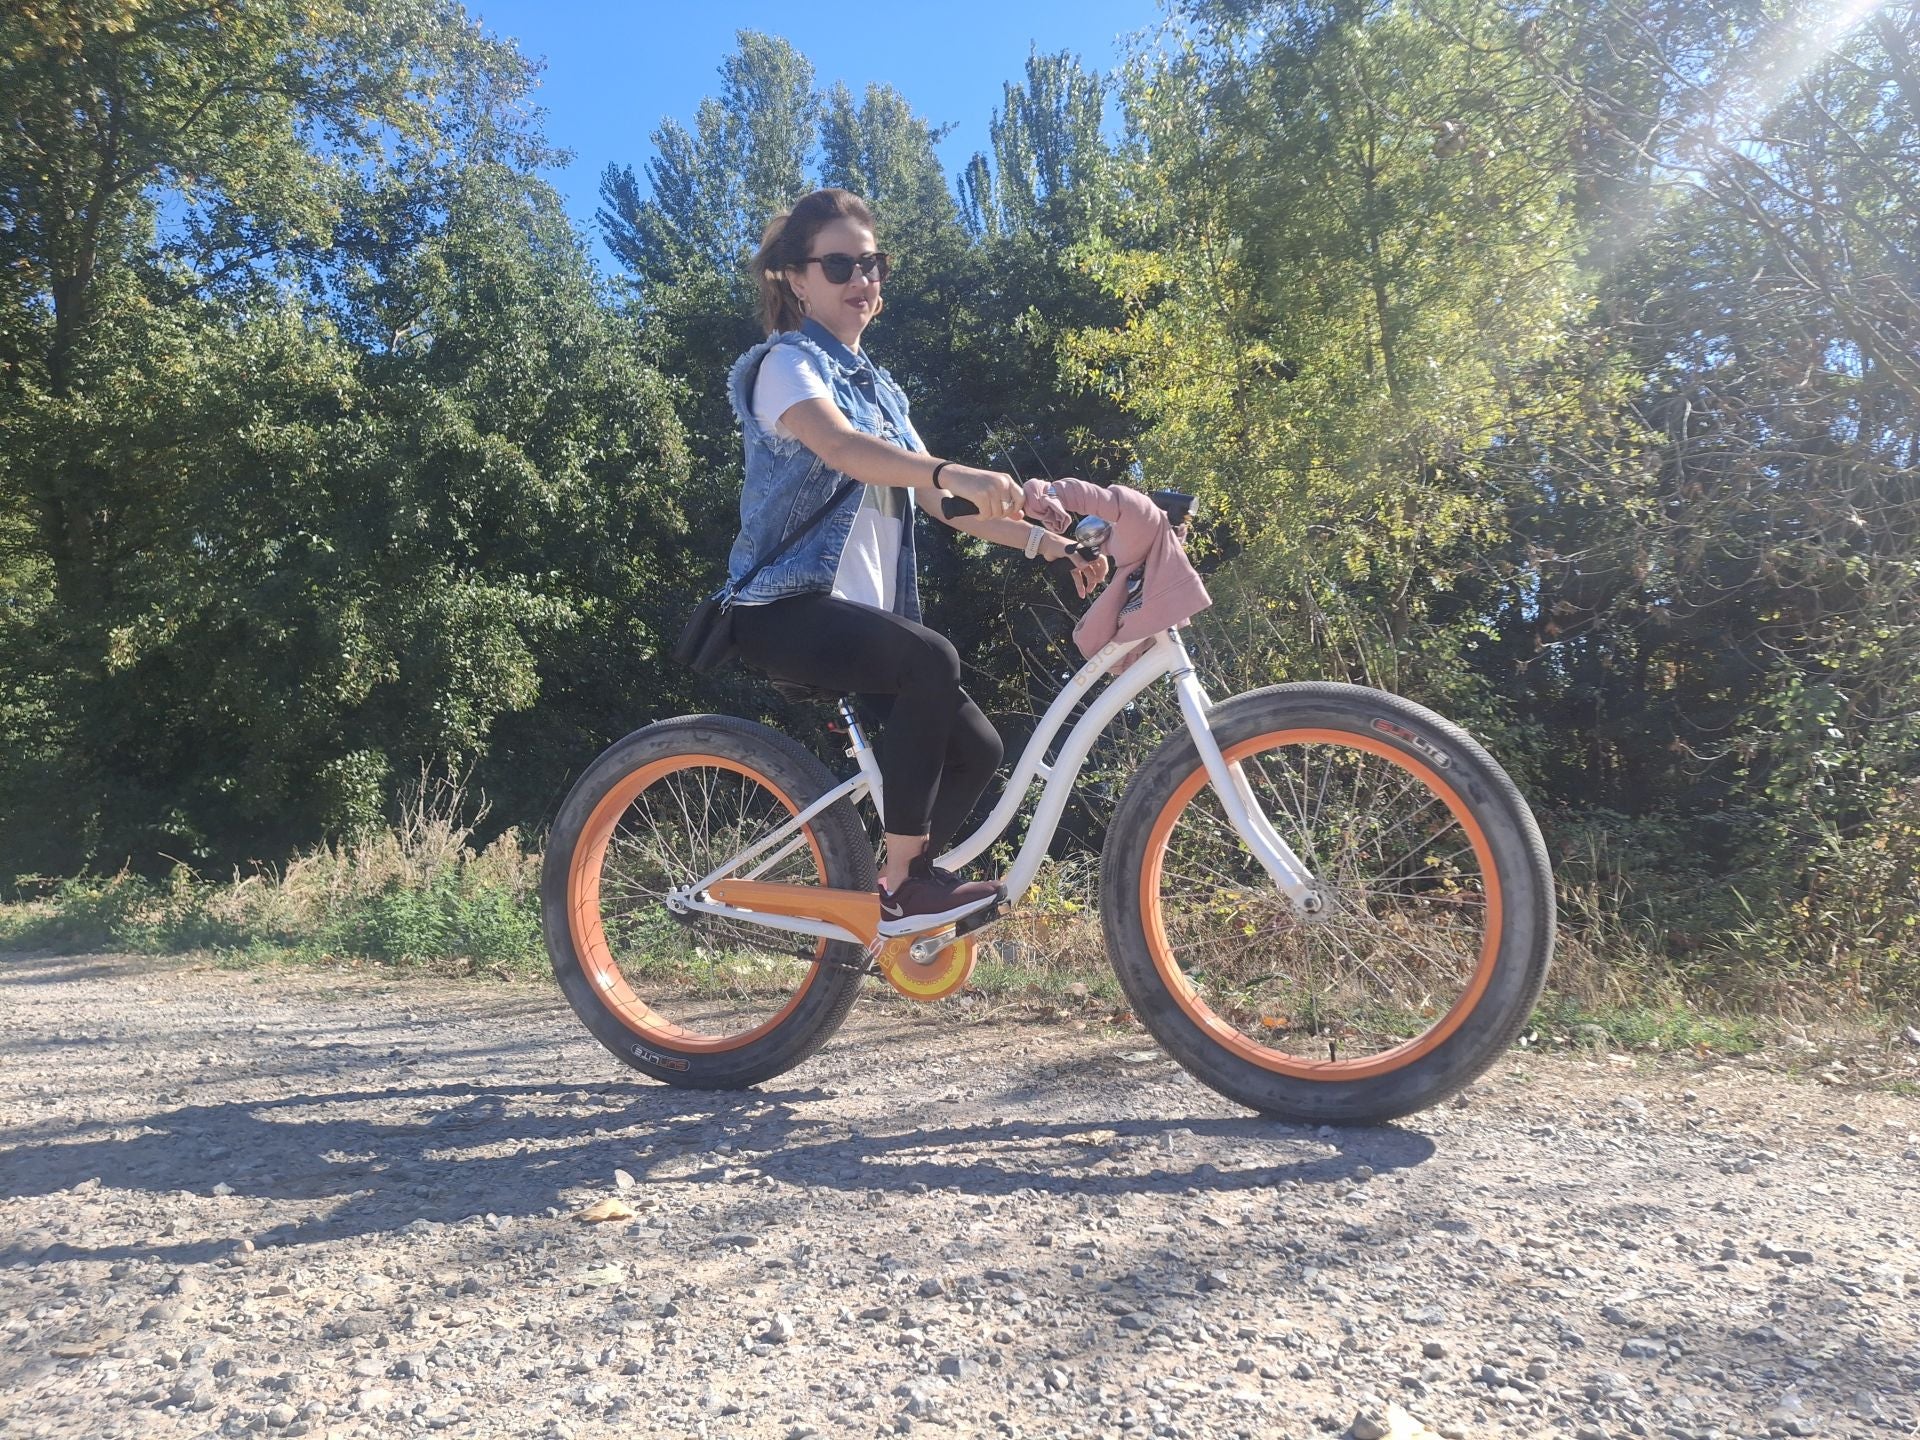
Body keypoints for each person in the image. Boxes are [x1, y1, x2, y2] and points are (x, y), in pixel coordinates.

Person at [723, 188, 1106, 935]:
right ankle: (903, 884)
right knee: (933, 659)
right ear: (796, 279)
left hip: (862, 619)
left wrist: (1045, 541)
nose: (862, 280)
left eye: (873, 264)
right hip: (780, 607)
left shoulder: (884, 392)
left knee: (979, 749)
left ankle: (908, 889)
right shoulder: (786, 365)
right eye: (840, 265)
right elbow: (841, 448)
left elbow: (941, 505)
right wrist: (946, 471)